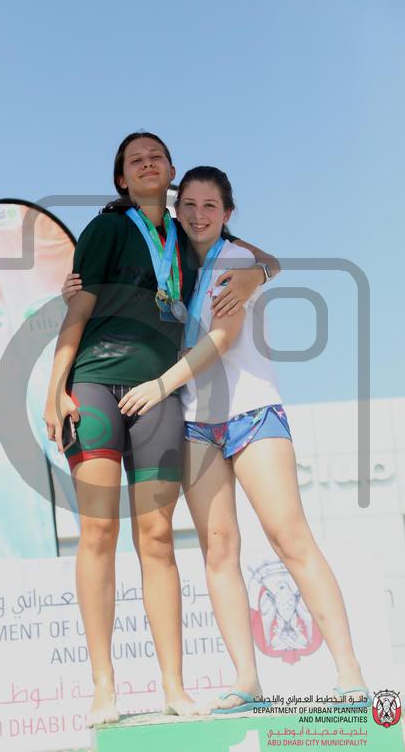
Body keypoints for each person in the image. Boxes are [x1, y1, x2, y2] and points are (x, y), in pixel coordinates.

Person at [116, 165, 369, 713]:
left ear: (227, 214)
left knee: (289, 537)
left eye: (210, 206)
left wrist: (159, 386)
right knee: (219, 549)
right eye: (189, 205)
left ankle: (350, 672)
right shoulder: (172, 267)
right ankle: (246, 680)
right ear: (176, 211)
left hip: (252, 414)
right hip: (195, 422)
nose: (198, 215)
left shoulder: (234, 261)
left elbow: (222, 340)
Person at [44, 132, 278, 727]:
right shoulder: (106, 229)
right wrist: (53, 388)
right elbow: (78, 308)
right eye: (134, 159)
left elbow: (264, 259)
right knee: (98, 532)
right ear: (122, 179)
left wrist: (257, 274)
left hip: (159, 393)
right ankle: (104, 688)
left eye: (156, 156)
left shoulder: (190, 235)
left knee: (156, 538)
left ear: (171, 170)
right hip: (95, 384)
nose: (147, 163)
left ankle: (173, 685)